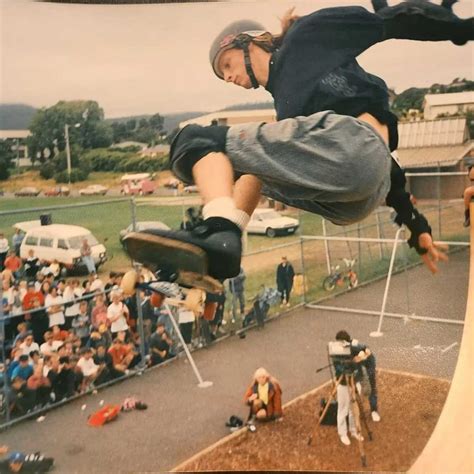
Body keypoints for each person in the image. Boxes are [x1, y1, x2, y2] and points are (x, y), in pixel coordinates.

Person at [122, 1, 473, 281]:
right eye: (222, 75)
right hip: (356, 194)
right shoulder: (286, 108)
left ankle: (218, 233)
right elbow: (380, 168)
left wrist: (459, 29)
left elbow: (390, 22)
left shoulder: (306, 37)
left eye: (227, 64)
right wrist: (417, 228)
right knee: (249, 167)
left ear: (251, 41)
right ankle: (223, 243)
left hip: (359, 152)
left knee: (192, 138)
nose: (228, 77)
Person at [335, 330, 380, 422]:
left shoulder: (354, 345)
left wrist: (361, 356)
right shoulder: (342, 349)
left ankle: (374, 410)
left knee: (371, 387)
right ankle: (355, 410)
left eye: (339, 342)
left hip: (368, 364)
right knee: (356, 386)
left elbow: (366, 349)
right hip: (357, 365)